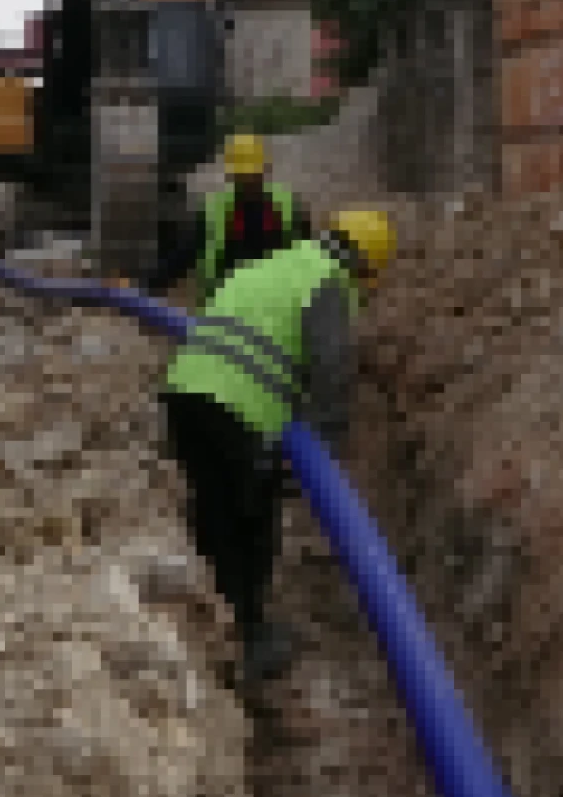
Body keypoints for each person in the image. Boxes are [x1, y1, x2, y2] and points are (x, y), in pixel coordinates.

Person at [158, 208, 397, 684]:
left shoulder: (274, 264)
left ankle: (217, 627)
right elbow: (332, 365)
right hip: (238, 409)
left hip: (184, 393)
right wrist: (326, 442)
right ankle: (251, 636)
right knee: (254, 521)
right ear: (365, 266)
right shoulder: (329, 282)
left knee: (214, 509)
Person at [143, 132, 312, 304]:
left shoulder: (287, 207)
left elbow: (309, 257)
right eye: (243, 177)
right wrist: (147, 286)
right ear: (232, 177)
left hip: (276, 302)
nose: (249, 182)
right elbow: (183, 255)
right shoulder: (216, 212)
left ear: (265, 171)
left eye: (253, 176)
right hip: (227, 303)